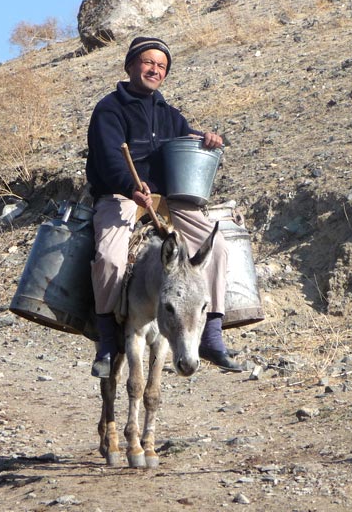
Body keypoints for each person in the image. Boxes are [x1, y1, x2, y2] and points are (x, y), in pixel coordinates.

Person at [85, 36, 242, 378]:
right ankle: (108, 340)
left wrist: (207, 139)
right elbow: (109, 158)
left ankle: (211, 334)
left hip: (167, 199)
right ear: (130, 66)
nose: (155, 70)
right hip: (122, 196)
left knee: (217, 247)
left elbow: (183, 141)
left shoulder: (170, 115)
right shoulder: (109, 109)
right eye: (148, 62)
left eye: (161, 66)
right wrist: (130, 186)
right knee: (110, 257)